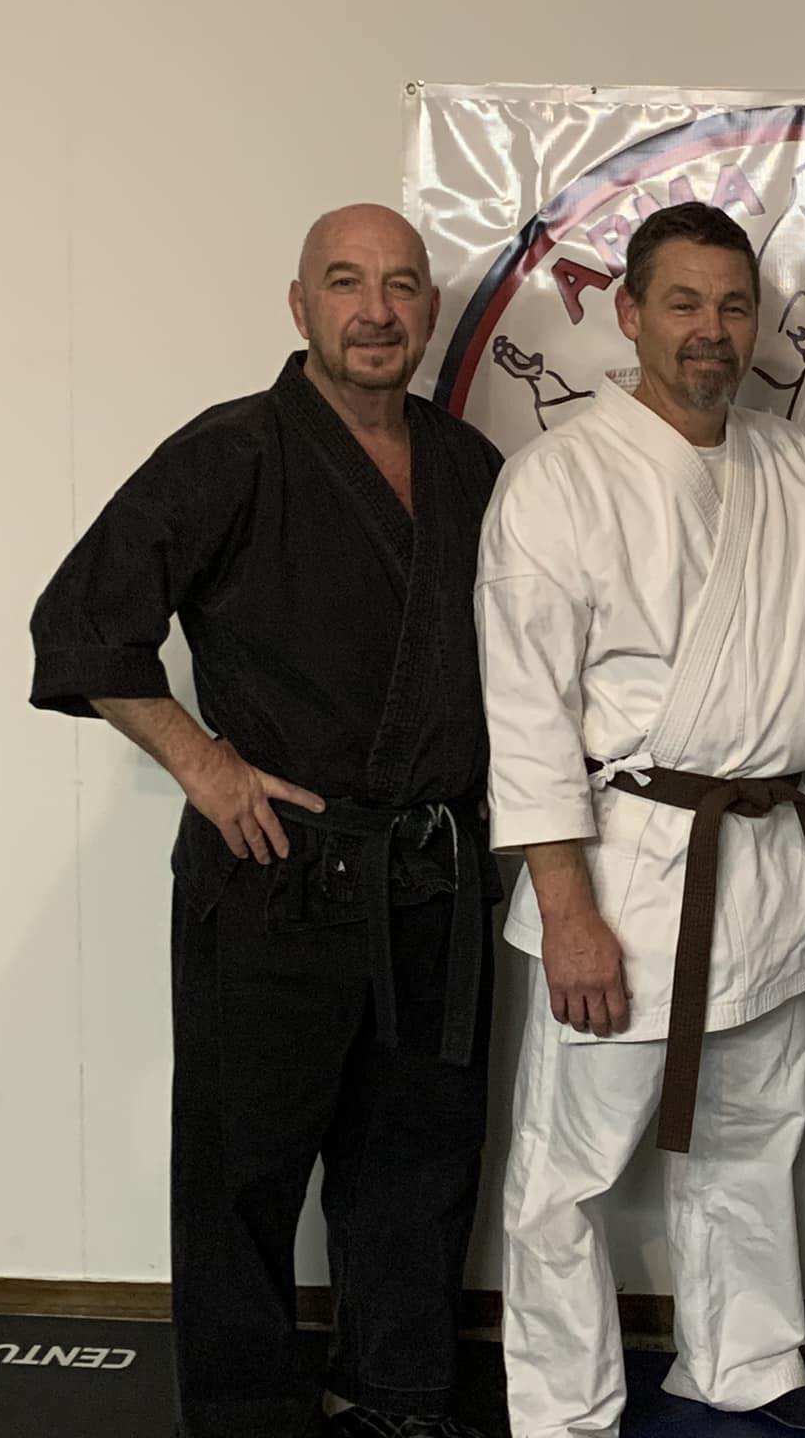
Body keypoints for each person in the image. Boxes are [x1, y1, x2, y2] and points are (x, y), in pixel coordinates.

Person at [28, 204, 504, 1438]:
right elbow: (81, 620)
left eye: (402, 286)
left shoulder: (468, 467)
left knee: (415, 1160)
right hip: (274, 873)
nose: (376, 311)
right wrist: (203, 762)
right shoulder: (230, 451)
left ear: (429, 312)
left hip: (431, 879)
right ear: (298, 307)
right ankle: (243, 1409)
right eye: (345, 283)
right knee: (242, 1170)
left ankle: (398, 1389)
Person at [477, 201, 805, 1438]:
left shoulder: (798, 464)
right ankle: (562, 1405)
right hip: (628, 868)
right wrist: (566, 911)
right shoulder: (559, 479)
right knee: (569, 1173)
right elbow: (525, 714)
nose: (711, 330)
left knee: (751, 1144)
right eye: (683, 304)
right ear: (629, 313)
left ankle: (742, 1365)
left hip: (760, 862)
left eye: (734, 305)